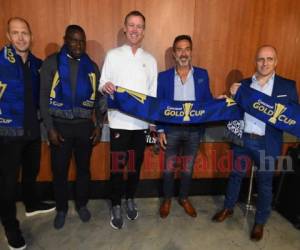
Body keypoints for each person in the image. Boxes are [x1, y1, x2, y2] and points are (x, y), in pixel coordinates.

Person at [212, 45, 299, 241]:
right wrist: (224, 100)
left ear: (276, 61)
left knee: (265, 184)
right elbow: (233, 110)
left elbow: (293, 116)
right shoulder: (243, 85)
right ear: (255, 61)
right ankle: (228, 207)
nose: (265, 63)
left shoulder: (287, 87)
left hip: (267, 144)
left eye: (269, 59)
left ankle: (260, 221)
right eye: (261, 59)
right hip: (243, 141)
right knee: (235, 176)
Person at [40, 25, 105, 229]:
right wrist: (49, 128)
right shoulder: (52, 63)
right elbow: (42, 97)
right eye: (74, 40)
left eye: (82, 41)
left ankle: (82, 204)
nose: (78, 44)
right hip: (60, 127)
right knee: (59, 171)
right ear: (65, 39)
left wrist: (99, 125)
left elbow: (100, 99)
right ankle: (61, 209)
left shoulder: (92, 66)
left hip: (84, 127)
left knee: (84, 170)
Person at [0, 17, 55, 250]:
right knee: (8, 185)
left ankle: (31, 204)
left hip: (33, 131)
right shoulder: (1, 62)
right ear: (8, 37)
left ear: (31, 36)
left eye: (25, 33)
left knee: (31, 172)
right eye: (16, 33)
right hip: (7, 133)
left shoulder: (37, 64)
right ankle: (11, 228)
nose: (21, 37)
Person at [99, 10, 157, 229]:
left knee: (134, 166)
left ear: (143, 31)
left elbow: (152, 93)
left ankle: (130, 199)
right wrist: (105, 86)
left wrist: (152, 123)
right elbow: (102, 83)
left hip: (140, 125)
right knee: (117, 167)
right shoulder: (113, 55)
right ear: (125, 28)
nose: (134, 30)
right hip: (119, 124)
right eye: (131, 25)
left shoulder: (150, 60)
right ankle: (115, 204)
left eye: (139, 26)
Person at [157, 35, 213, 218]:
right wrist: (160, 130)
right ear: (174, 53)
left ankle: (183, 198)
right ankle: (167, 199)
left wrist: (219, 102)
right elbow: (158, 106)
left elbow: (208, 103)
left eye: (187, 48)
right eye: (179, 49)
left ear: (191, 51)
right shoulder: (163, 78)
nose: (183, 53)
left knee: (188, 169)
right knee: (168, 169)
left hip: (194, 131)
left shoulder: (202, 75)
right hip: (171, 130)